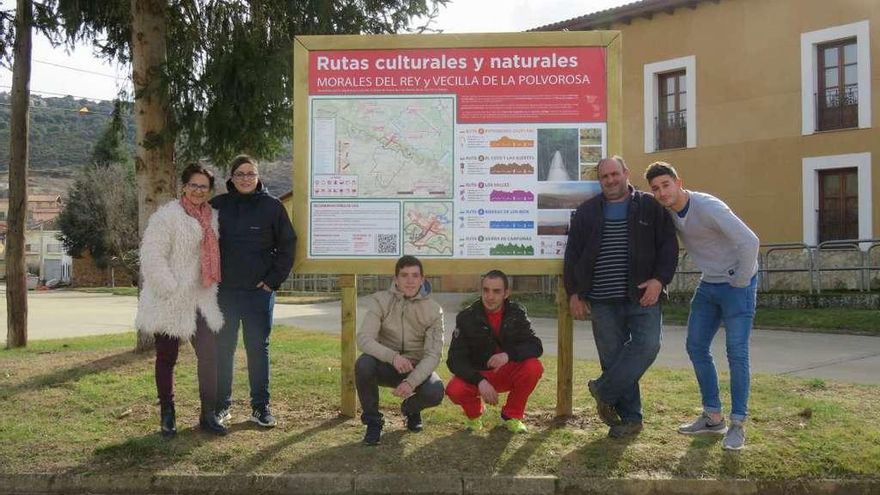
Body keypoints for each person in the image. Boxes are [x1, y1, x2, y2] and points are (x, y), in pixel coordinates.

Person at [646, 161, 760, 451]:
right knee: (696, 347)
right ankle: (712, 417)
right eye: (656, 189)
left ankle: (737, 424)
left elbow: (750, 241)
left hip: (737, 285)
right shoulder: (668, 213)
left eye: (666, 185)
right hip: (709, 284)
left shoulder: (708, 206)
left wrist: (741, 280)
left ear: (679, 182)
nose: (661, 193)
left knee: (736, 353)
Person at [563, 155, 678, 438]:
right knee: (613, 360)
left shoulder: (650, 206)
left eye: (615, 174)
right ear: (599, 180)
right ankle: (630, 419)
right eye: (605, 177)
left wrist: (659, 281)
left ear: (626, 173)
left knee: (648, 346)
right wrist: (575, 293)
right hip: (601, 301)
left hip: (641, 296)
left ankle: (604, 390)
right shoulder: (587, 212)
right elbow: (572, 256)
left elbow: (668, 247)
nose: (611, 180)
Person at [136, 163, 227, 436]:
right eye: (194, 185)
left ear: (210, 191)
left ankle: (208, 414)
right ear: (184, 186)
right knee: (167, 357)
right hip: (171, 298)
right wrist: (170, 289)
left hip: (202, 298)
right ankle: (167, 414)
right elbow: (152, 257)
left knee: (210, 356)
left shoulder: (214, 218)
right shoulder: (167, 216)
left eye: (204, 186)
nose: (199, 191)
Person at [211, 155, 296, 428]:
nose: (246, 178)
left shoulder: (273, 207)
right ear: (231, 178)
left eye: (251, 173)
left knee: (258, 349)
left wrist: (272, 281)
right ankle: (222, 406)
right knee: (223, 349)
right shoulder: (218, 206)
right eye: (240, 174)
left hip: (259, 294)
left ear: (258, 176)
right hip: (224, 293)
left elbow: (288, 246)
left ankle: (260, 407)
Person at [355, 255, 445, 446]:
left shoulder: (434, 310)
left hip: (415, 368)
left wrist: (412, 382)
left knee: (435, 390)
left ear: (422, 279)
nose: (410, 281)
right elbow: (364, 339)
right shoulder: (380, 301)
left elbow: (433, 354)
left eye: (415, 275)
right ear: (395, 279)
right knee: (363, 364)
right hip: (386, 364)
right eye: (404, 275)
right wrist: (392, 357)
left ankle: (411, 409)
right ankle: (373, 422)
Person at [446, 270, 544, 433]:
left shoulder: (516, 313)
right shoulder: (466, 317)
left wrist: (507, 355)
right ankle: (474, 415)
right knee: (454, 389)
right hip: (480, 374)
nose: (490, 296)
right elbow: (455, 360)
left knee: (533, 367)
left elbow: (535, 345)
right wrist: (479, 381)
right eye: (486, 290)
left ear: (506, 293)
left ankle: (512, 416)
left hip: (507, 372)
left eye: (496, 291)